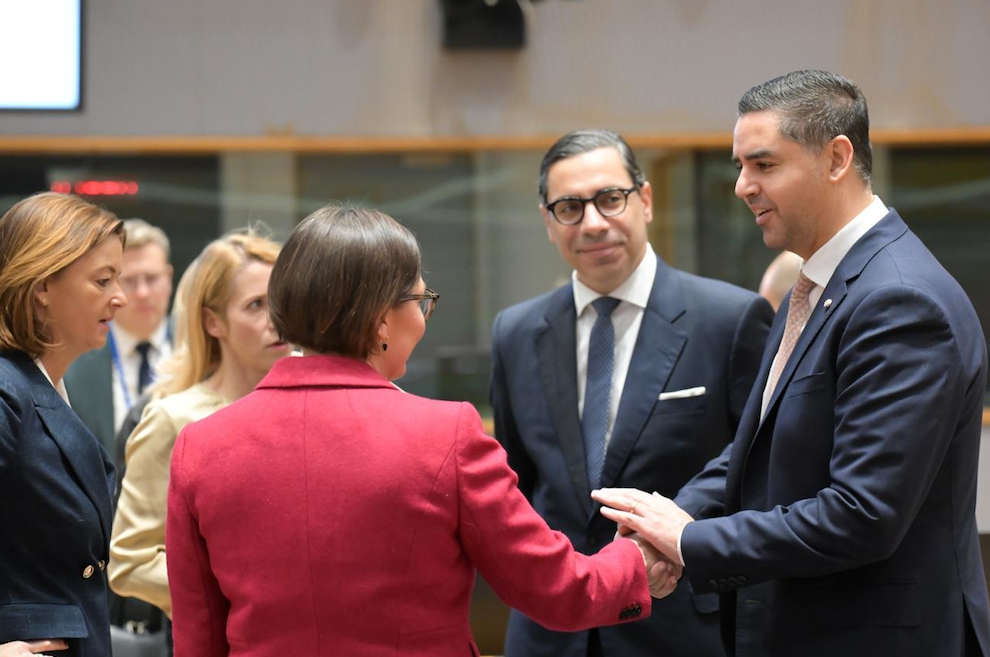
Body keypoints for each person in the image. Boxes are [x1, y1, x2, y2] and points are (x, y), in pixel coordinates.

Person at [594, 70, 990, 657]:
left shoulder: (900, 300)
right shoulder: (818, 283)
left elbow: (862, 513)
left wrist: (692, 540)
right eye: (739, 167)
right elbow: (762, 447)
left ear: (836, 158)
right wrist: (678, 514)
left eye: (764, 165)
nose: (742, 186)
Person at [165, 205, 677, 657]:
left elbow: (199, 637)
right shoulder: (444, 435)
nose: (424, 317)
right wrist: (637, 560)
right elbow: (556, 588)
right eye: (420, 300)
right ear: (381, 321)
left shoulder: (201, 447)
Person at [489, 129, 773, 657]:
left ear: (644, 200)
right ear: (548, 222)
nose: (594, 223)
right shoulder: (516, 331)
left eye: (610, 199)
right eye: (569, 207)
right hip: (550, 630)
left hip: (682, 620)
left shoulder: (730, 319)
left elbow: (757, 458)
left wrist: (663, 532)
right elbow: (516, 479)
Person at [108, 232, 287, 632]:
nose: (276, 319)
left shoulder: (310, 409)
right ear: (213, 321)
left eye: (281, 302)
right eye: (256, 305)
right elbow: (129, 560)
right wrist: (233, 592)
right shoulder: (172, 418)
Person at [0, 192, 127, 656]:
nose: (121, 297)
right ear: (42, 287)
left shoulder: (42, 386)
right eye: (102, 280)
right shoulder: (6, 388)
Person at [65, 219, 174, 455]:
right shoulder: (76, 361)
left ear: (169, 277)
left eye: (152, 279)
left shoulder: (203, 347)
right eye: (130, 281)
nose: (143, 293)